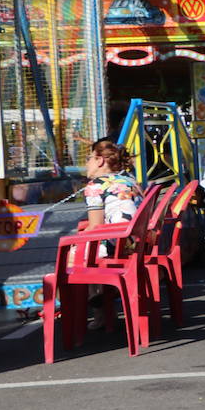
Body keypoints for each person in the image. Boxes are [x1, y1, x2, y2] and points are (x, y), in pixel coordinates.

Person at [80, 139, 146, 329]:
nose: (87, 163)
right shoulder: (129, 180)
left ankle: (93, 309)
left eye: (89, 158)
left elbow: (95, 227)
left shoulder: (95, 186)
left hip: (118, 245)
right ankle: (103, 301)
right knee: (87, 251)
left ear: (100, 160)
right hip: (139, 243)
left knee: (73, 257)